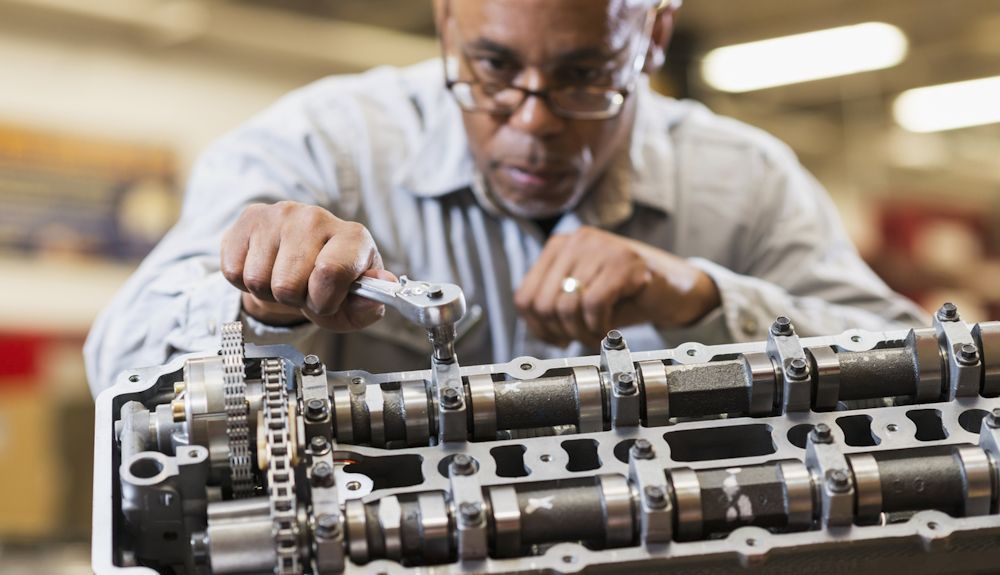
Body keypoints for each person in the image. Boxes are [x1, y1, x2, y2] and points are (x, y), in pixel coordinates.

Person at [84, 0, 926, 396]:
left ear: (654, 35)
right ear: (447, 21)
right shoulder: (320, 147)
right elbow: (119, 359)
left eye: (583, 77)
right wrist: (258, 305)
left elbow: (914, 366)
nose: (532, 124)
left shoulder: (746, 179)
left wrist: (702, 297)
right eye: (492, 69)